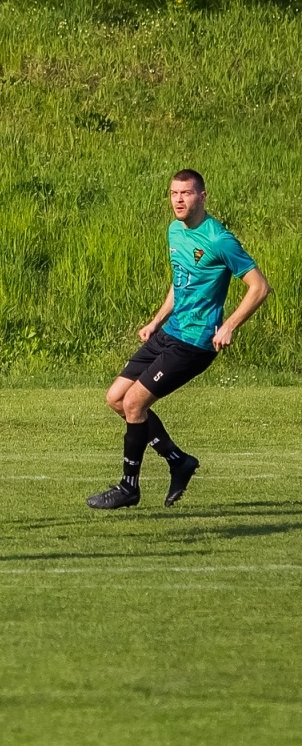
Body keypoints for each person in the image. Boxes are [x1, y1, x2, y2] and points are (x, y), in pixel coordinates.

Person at [87, 170, 269, 509]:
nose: (179, 200)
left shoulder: (219, 239)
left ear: (203, 196)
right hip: (170, 333)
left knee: (134, 404)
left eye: (186, 193)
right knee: (116, 398)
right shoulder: (174, 230)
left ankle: (129, 488)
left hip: (195, 342)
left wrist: (229, 325)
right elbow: (180, 281)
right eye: (174, 193)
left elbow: (259, 287)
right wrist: (157, 320)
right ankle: (177, 460)